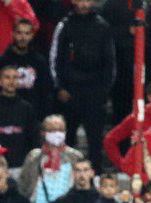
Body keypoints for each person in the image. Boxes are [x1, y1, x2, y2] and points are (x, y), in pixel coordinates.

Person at [50, 0, 115, 171]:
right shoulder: (64, 25)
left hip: (94, 92)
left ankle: (95, 175)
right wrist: (60, 87)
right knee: (68, 138)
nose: (83, 4)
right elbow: (55, 57)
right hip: (70, 91)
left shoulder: (102, 26)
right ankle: (65, 175)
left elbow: (110, 61)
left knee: (95, 140)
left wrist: (103, 91)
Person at [18, 115, 83, 203]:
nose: (57, 133)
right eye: (52, 130)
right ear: (43, 132)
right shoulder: (34, 156)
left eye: (60, 130)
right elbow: (23, 183)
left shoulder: (75, 156)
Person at [0, 65, 39, 172]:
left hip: (20, 166)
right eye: (7, 77)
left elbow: (33, 137)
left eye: (15, 77)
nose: (11, 81)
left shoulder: (26, 108)